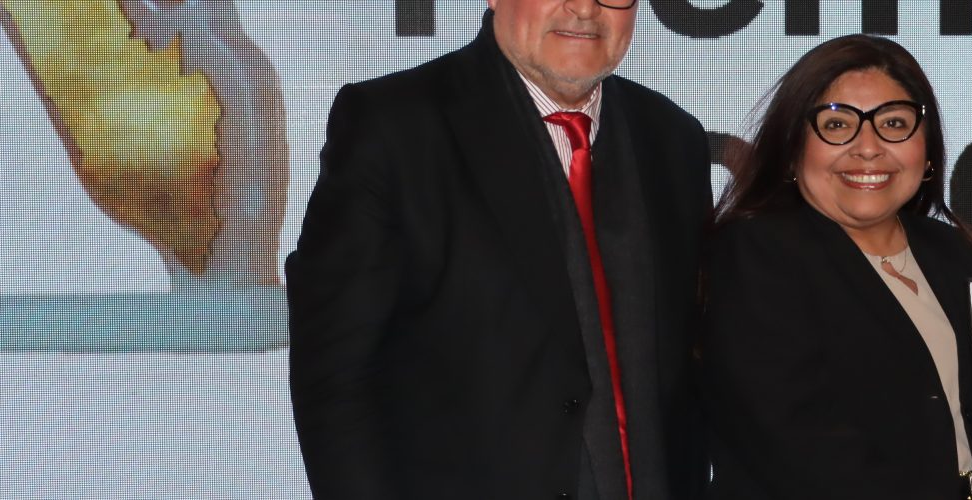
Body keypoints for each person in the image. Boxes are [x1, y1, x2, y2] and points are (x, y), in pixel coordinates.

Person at [285, 0, 710, 498]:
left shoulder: (673, 140)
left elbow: (692, 377)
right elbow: (335, 381)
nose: (584, 8)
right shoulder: (394, 128)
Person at [700, 34, 972, 500]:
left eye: (894, 123)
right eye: (837, 125)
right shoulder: (755, 254)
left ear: (927, 149)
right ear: (794, 148)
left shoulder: (953, 252)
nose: (868, 148)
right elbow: (795, 445)